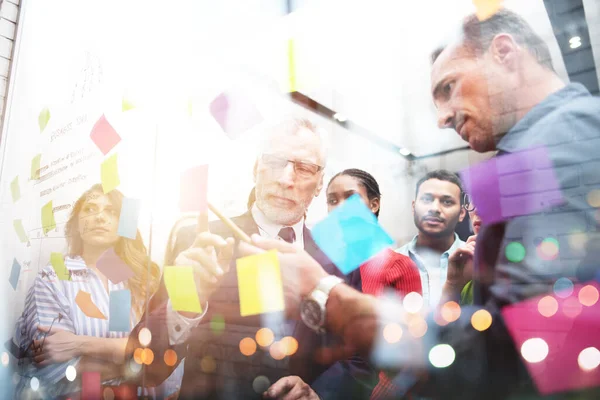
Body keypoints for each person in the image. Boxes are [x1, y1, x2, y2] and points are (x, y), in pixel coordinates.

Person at [218, 8, 600, 399]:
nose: (442, 118)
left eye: (448, 87)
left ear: (505, 53)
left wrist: (323, 294)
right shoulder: (544, 147)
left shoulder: (566, 139)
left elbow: (518, 352)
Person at [126, 118, 375, 399]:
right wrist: (183, 309)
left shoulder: (339, 258)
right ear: (257, 168)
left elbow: (360, 358)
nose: (285, 179)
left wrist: (319, 393)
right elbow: (139, 365)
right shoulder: (201, 241)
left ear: (319, 183)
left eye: (304, 168)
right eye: (275, 161)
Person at [13, 184, 162, 399]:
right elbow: (56, 367)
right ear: (76, 225)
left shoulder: (137, 280)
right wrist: (136, 365)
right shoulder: (52, 279)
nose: (99, 217)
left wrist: (78, 345)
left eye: (111, 211)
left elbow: (157, 347)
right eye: (90, 209)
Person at [325, 168, 422, 400]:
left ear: (374, 204)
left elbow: (409, 350)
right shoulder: (324, 265)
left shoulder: (399, 266)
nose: (340, 207)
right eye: (332, 200)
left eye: (351, 198)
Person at [396, 170, 466, 308]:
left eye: (447, 202)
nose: (434, 208)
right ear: (413, 207)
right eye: (427, 199)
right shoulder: (392, 262)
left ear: (461, 214)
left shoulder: (472, 261)